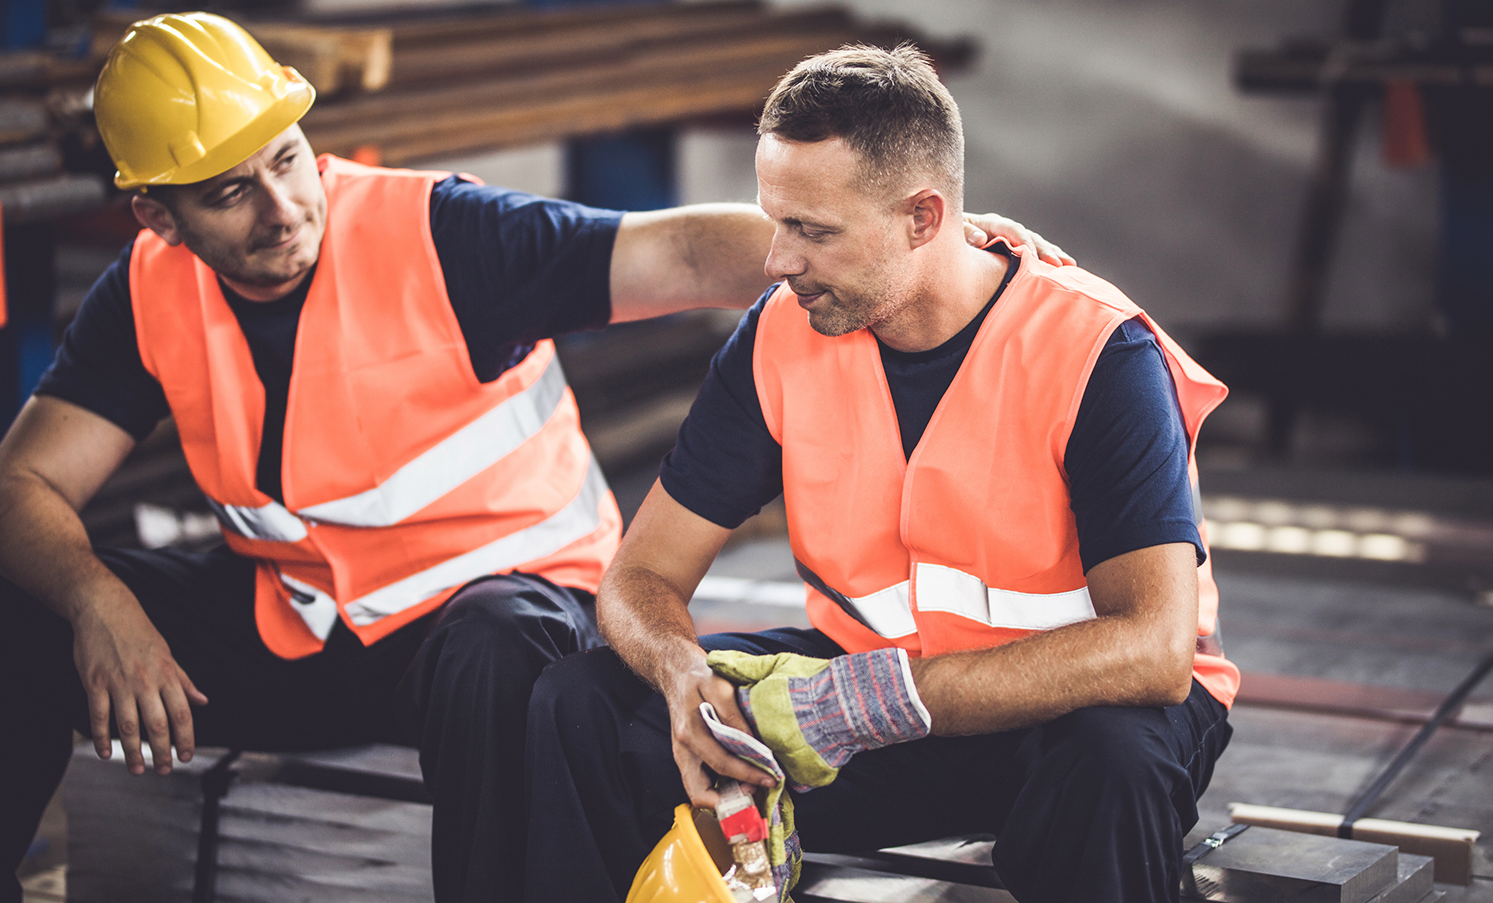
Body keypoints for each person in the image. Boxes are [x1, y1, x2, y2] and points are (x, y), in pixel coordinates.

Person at [0, 14, 1067, 903]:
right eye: (227, 194)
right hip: (303, 620)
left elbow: (676, 255)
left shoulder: (439, 234)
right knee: (12, 613)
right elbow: (17, 492)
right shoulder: (149, 294)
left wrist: (940, 248)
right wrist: (97, 600)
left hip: (506, 615)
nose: (281, 207)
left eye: (287, 157)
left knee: (496, 649)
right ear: (157, 218)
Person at [524, 44, 1239, 903]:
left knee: (1110, 767)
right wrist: (688, 686)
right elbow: (640, 576)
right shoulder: (779, 335)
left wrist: (878, 701)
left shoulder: (1097, 352)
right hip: (874, 705)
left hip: (1067, 717)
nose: (777, 261)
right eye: (776, 221)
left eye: (813, 232)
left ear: (924, 219)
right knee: (582, 703)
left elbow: (1155, 652)